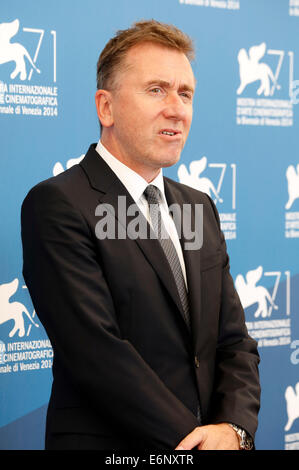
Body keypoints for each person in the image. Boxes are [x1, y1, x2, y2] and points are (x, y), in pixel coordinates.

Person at [21, 20, 260, 450]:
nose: (177, 109)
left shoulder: (198, 206)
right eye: (156, 90)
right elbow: (98, 354)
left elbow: (234, 340)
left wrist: (234, 431)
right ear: (106, 108)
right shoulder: (58, 204)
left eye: (185, 93)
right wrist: (198, 445)